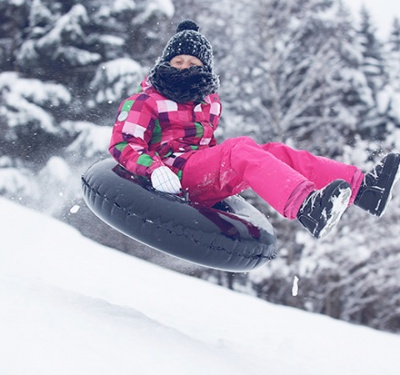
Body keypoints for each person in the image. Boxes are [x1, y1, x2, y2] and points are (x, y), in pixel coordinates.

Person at [109, 20, 400, 239]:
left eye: (193, 63)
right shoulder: (146, 100)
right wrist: (154, 169)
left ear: (204, 69)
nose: (185, 68)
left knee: (275, 152)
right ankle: (307, 208)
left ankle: (365, 190)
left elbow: (205, 149)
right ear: (166, 63)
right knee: (240, 148)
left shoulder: (208, 103)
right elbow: (123, 144)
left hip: (198, 174)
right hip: (171, 175)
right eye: (178, 61)